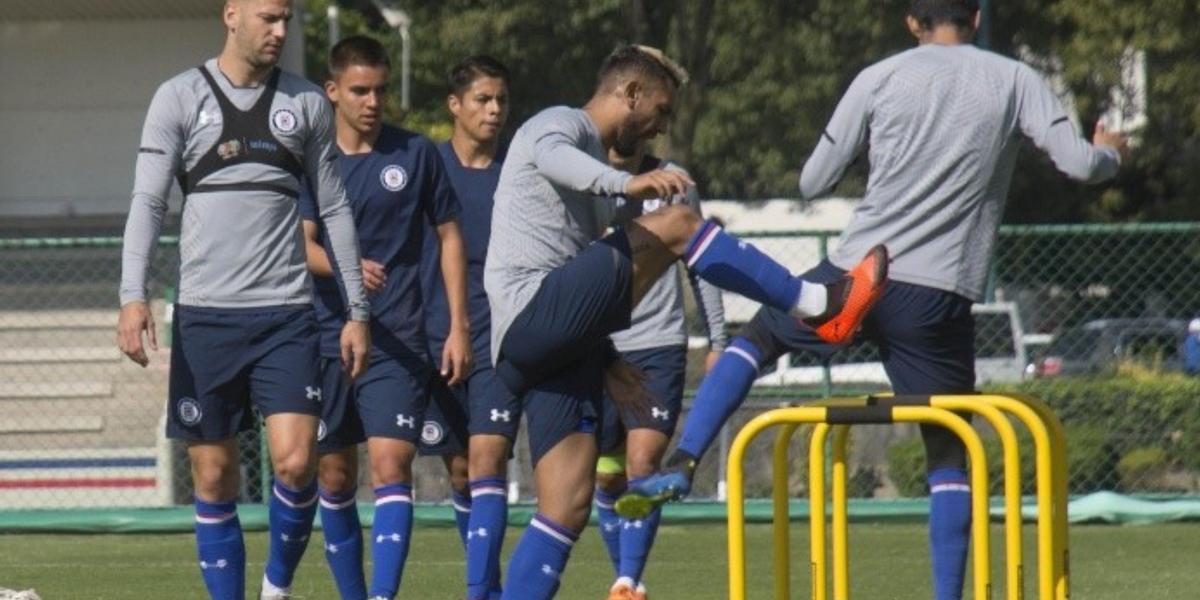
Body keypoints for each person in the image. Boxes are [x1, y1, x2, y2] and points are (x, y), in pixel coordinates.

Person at [620, 2, 1131, 599]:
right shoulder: (1015, 79)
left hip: (855, 272)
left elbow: (813, 182)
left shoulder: (880, 77)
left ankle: (683, 460)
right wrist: (1113, 152)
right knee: (948, 450)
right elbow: (1079, 164)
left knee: (758, 338)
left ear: (912, 22)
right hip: (937, 292)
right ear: (976, 14)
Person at [484, 44, 887, 600]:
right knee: (675, 223)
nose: (660, 129)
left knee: (565, 507)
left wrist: (606, 359)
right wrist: (627, 186)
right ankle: (820, 304)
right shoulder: (560, 124)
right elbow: (554, 158)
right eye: (662, 111)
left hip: (552, 348)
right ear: (630, 94)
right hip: (532, 311)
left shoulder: (600, 180)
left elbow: (592, 261)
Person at [116, 1, 371, 599]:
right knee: (214, 475)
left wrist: (358, 310)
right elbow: (149, 203)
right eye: (268, 17)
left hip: (286, 315)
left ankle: (275, 589)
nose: (280, 31)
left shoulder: (307, 102)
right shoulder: (178, 97)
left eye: (287, 19)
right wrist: (133, 296)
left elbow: (333, 208)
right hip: (206, 317)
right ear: (231, 14)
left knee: (296, 461)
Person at [298, 36, 470, 600]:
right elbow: (301, 246)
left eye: (379, 89)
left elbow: (449, 236)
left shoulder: (417, 153)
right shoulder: (312, 159)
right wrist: (346, 268)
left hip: (398, 338)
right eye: (359, 90)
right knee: (334, 475)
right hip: (323, 338)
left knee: (393, 466)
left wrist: (458, 325)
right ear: (333, 93)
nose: (372, 101)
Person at [591, 139, 728, 600]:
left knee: (642, 462)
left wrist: (717, 340)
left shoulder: (675, 181)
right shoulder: (583, 178)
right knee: (606, 474)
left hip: (658, 345)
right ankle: (629, 580)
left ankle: (626, 580)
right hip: (596, 343)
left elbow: (703, 262)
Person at [416, 55, 515, 600]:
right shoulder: (427, 165)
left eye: (501, 99)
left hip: (501, 339)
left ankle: (480, 592)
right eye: (483, 99)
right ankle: (489, 584)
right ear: (455, 106)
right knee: (459, 472)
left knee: (487, 459)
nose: (495, 110)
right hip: (435, 337)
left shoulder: (518, 174)